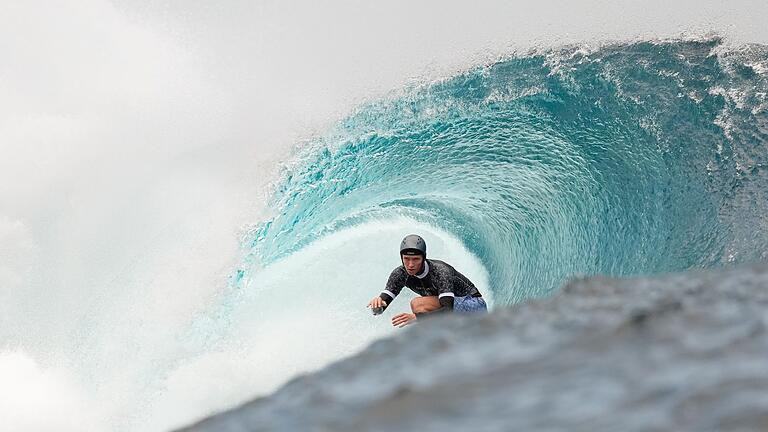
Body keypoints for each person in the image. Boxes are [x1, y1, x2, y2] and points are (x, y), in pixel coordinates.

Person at [367, 234, 487, 327]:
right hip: (451, 311)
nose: (410, 264)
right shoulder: (400, 274)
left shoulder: (440, 271)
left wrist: (417, 318)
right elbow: (378, 312)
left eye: (415, 259)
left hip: (474, 305)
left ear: (424, 258)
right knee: (420, 309)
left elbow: (448, 309)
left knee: (418, 304)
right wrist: (377, 306)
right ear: (401, 258)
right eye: (406, 259)